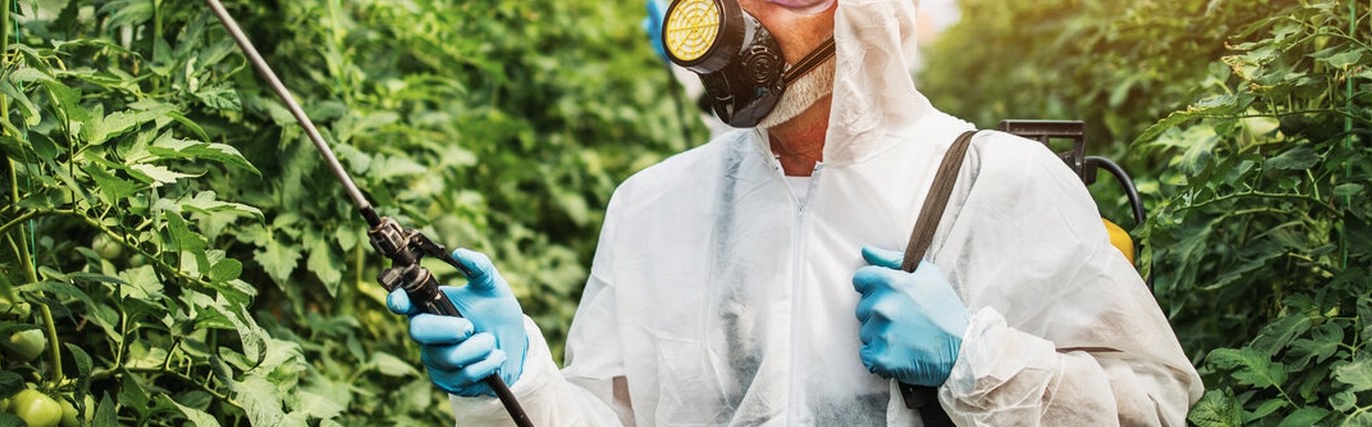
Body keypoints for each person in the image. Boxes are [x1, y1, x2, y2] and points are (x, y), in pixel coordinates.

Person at [384, 0, 1204, 424]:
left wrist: (976, 363)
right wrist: (514, 377)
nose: (744, 21)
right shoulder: (651, 209)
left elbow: (1153, 407)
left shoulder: (1004, 183)